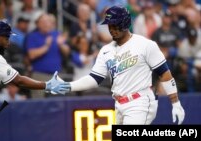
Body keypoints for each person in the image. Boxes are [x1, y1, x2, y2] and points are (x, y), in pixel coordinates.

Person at [53, 6, 185, 125]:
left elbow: (165, 74)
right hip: (119, 104)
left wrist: (176, 103)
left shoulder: (145, 44)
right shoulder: (106, 50)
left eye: (115, 25)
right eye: (110, 25)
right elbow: (94, 79)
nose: (111, 29)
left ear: (125, 24)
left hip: (140, 101)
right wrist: (67, 86)